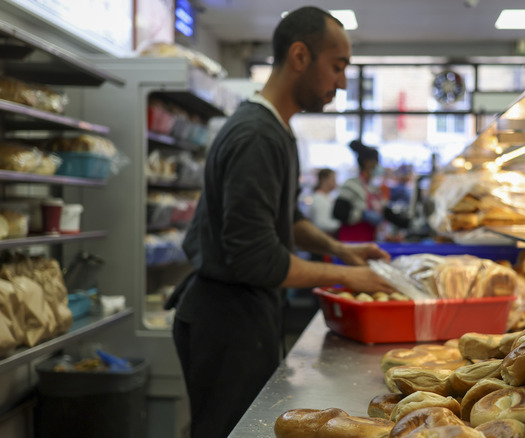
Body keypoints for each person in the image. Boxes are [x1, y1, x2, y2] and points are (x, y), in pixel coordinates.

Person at [166, 7, 395, 438]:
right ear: (300, 56)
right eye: (338, 66)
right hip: (225, 321)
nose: (343, 81)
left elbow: (285, 219)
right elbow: (257, 258)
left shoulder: (278, 130)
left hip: (245, 314)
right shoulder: (256, 136)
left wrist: (341, 249)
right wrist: (351, 275)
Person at [333, 140, 409, 241]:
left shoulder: (373, 188)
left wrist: (406, 223)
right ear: (368, 163)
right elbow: (338, 212)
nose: (378, 166)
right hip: (351, 239)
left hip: (368, 238)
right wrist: (362, 215)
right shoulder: (351, 185)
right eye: (376, 163)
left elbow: (384, 212)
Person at [308, 168, 340, 236]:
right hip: (321, 238)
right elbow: (321, 223)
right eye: (333, 179)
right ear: (324, 180)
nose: (336, 183)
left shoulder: (326, 197)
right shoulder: (319, 198)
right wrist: (341, 224)